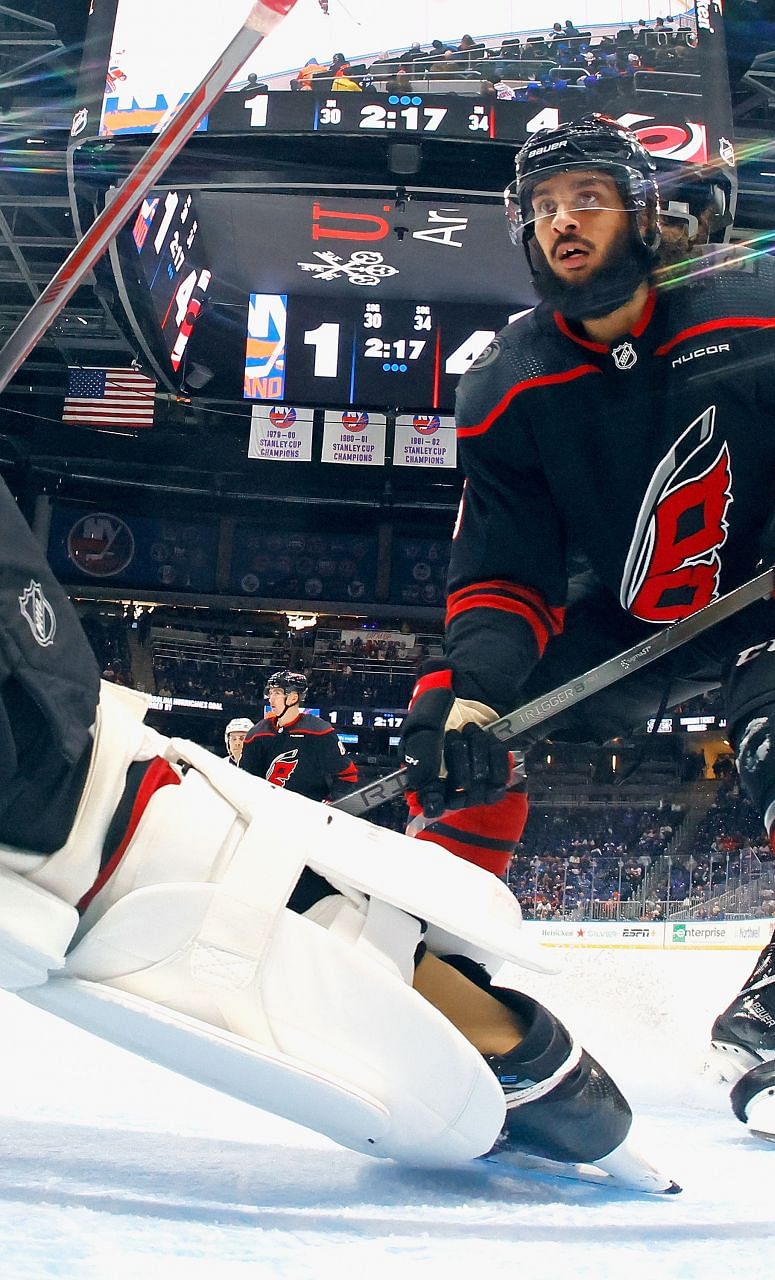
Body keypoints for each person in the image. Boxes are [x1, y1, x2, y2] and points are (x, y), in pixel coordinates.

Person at [396, 116, 775, 1140]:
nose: (562, 222)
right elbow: (507, 573)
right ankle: (434, 965)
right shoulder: (504, 383)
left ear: (645, 211)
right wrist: (477, 690)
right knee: (457, 717)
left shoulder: (749, 299)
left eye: (586, 199)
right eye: (543, 209)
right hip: (637, 615)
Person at [0, 474, 664, 1188]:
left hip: (173, 817)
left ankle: (344, 936)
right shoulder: (256, 737)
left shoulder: (315, 737)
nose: (275, 699)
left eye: (283, 690)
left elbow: (329, 786)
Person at [239, 671, 360, 802]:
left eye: (278, 693)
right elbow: (247, 779)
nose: (271, 698)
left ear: (293, 698)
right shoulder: (256, 734)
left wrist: (332, 801)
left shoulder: (319, 732)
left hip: (310, 813)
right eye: (271, 692)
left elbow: (347, 776)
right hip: (270, 811)